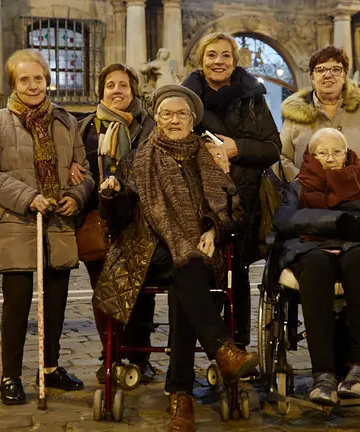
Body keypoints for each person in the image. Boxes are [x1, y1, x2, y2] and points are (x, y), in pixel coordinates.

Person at [94, 85, 259, 432]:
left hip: (200, 252)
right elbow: (119, 220)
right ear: (157, 119)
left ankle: (180, 394)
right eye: (167, 114)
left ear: (192, 120)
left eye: (181, 114)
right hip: (148, 252)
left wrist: (213, 228)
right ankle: (221, 352)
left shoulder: (207, 156)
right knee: (185, 265)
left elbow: (234, 210)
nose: (174, 120)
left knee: (187, 270)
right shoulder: (138, 159)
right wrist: (112, 196)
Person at [0, 49, 94, 405]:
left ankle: (50, 367)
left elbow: (83, 169)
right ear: (13, 83)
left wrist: (76, 196)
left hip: (57, 222)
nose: (32, 85)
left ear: (47, 80)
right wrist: (28, 197)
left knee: (55, 303)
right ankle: (10, 376)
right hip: (15, 221)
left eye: (38, 78)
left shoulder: (65, 121)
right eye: (24, 79)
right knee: (17, 304)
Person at [273, 128, 360, 405]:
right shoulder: (298, 187)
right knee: (315, 267)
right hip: (314, 248)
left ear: (347, 153)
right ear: (311, 156)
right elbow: (284, 220)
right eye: (322, 153)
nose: (330, 158)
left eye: (336, 152)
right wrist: (336, 222)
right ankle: (323, 375)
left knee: (358, 262)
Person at [182, 32, 282, 352]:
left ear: (235, 62)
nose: (219, 61)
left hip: (243, 202)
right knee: (200, 273)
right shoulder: (185, 98)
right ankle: (205, 347)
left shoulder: (253, 98)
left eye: (226, 55)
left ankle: (237, 347)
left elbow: (273, 148)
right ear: (201, 61)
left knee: (236, 274)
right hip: (198, 202)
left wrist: (237, 147)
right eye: (211, 55)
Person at [68, 63, 158, 384]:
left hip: (138, 220)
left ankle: (140, 356)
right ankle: (111, 355)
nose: (117, 90)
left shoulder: (148, 125)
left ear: (133, 91)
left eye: (123, 85)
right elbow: (76, 164)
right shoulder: (86, 127)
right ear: (101, 91)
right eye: (110, 85)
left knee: (141, 294)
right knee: (103, 293)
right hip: (98, 220)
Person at [280, 46, 360, 183]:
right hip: (310, 194)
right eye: (320, 70)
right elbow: (282, 157)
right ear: (312, 78)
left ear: (344, 75)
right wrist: (299, 182)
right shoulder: (295, 113)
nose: (328, 75)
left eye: (336, 69)